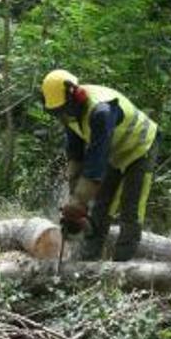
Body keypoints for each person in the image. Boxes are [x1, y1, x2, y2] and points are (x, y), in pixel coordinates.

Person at [41, 69, 159, 261]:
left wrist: (79, 202)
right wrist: (74, 199)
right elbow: (76, 154)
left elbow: (96, 163)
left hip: (141, 148)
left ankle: (124, 265)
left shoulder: (100, 111)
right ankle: (88, 260)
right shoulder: (69, 113)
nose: (62, 116)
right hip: (115, 151)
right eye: (58, 112)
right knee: (102, 206)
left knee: (131, 206)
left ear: (75, 95)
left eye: (64, 110)